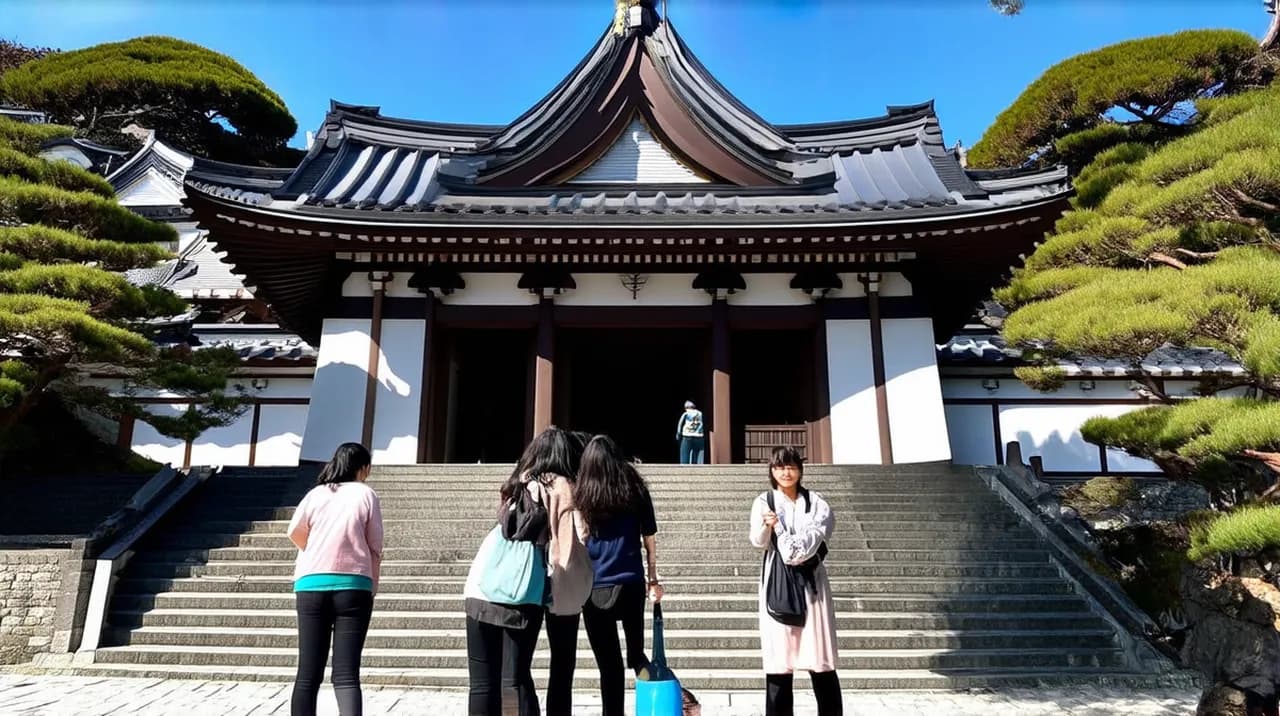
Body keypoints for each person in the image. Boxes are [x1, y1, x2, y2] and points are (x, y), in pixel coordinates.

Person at [462, 427, 592, 716]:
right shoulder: (563, 487)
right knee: (516, 677)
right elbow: (577, 540)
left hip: (483, 582)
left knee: (482, 685)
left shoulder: (517, 482)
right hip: (525, 591)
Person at [287, 442, 383, 716]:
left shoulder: (315, 494)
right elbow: (375, 544)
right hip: (354, 585)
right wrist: (372, 583)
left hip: (310, 584)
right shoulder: (366, 494)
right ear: (363, 468)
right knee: (347, 674)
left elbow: (294, 531)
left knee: (307, 674)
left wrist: (315, 549)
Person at [573, 434, 663, 716]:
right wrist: (653, 579)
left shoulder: (583, 492)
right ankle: (654, 702)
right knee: (636, 655)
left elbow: (580, 537)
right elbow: (649, 538)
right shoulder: (635, 488)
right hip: (632, 582)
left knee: (608, 665)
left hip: (595, 585)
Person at [748, 447, 840, 716]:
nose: (786, 472)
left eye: (791, 466)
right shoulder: (764, 501)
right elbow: (757, 541)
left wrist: (779, 529)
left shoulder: (816, 502)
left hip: (812, 584)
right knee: (779, 663)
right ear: (771, 471)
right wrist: (767, 526)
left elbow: (807, 546)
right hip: (777, 583)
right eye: (779, 467)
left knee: (821, 661)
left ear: (800, 469)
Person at [676, 400, 705, 464]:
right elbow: (704, 423)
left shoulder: (686, 414)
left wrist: (678, 434)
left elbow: (680, 424)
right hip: (699, 436)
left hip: (687, 435)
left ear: (686, 407)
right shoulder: (700, 413)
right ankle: (699, 465)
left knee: (685, 452)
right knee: (698, 452)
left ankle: (684, 467)